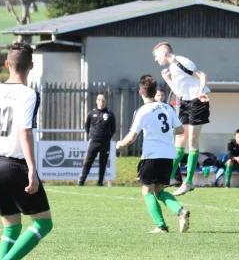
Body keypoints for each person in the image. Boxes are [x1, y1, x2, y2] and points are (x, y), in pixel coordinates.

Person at [0, 43, 53, 260]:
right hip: (14, 165)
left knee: (11, 226)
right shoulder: (29, 94)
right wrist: (32, 170)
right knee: (44, 223)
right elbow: (25, 132)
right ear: (31, 66)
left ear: (7, 64)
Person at [116, 74, 191, 233]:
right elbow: (180, 130)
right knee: (160, 191)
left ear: (141, 92)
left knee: (147, 191)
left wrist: (120, 144)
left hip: (151, 156)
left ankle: (161, 225)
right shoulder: (167, 107)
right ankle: (180, 211)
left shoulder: (143, 111)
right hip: (168, 156)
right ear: (154, 90)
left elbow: (132, 136)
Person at [153, 42, 210, 196]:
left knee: (192, 139)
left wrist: (199, 93)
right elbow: (179, 93)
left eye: (156, 56)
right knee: (179, 138)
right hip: (185, 102)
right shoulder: (172, 68)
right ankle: (167, 177)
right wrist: (167, 79)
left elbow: (202, 75)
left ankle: (188, 182)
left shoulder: (181, 62)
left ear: (164, 54)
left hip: (198, 101)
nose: (156, 60)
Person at [78, 94, 116, 187]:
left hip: (105, 142)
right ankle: (81, 181)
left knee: (103, 163)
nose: (101, 102)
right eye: (100, 100)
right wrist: (91, 136)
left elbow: (113, 128)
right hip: (94, 141)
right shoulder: (91, 113)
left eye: (103, 100)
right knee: (88, 161)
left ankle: (100, 182)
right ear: (96, 101)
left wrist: (108, 137)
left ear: (105, 101)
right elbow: (86, 126)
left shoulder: (110, 114)